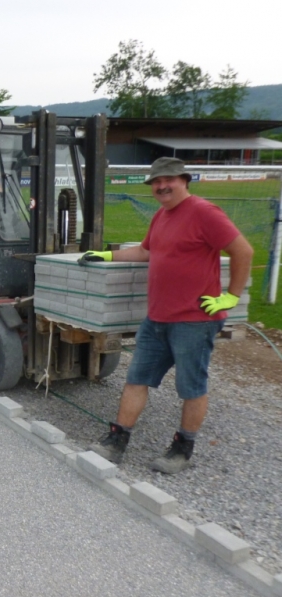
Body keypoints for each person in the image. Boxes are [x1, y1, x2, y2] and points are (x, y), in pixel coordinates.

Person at [80, 157, 253, 474]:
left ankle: (182, 448)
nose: (161, 186)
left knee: (191, 386)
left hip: (194, 320)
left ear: (184, 180)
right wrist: (107, 254)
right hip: (157, 318)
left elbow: (243, 251)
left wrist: (230, 296)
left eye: (168, 180)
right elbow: (146, 252)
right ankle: (116, 441)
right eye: (156, 183)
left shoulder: (204, 212)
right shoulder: (161, 215)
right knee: (136, 379)